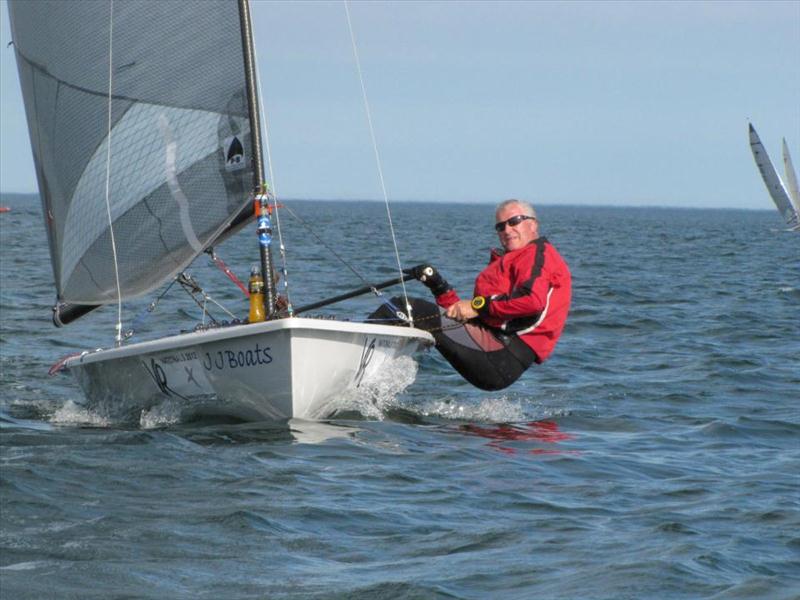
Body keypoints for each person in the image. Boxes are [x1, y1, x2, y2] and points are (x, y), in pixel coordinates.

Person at [374, 199, 571, 390]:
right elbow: (468, 316)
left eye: (514, 221)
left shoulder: (538, 255)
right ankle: (371, 379)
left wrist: (478, 305)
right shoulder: (513, 260)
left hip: (502, 356)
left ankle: (352, 367)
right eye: (500, 227)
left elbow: (532, 301)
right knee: (402, 313)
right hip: (492, 349)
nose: (507, 230)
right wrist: (438, 285)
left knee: (404, 308)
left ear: (533, 224)